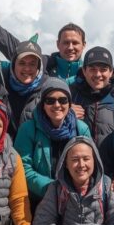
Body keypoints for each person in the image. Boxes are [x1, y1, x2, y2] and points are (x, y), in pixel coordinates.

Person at [14, 78, 92, 206]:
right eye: (50, 100)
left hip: (73, 200)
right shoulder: (28, 129)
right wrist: (52, 188)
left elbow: (90, 163)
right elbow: (22, 167)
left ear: (69, 103)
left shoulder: (81, 128)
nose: (57, 105)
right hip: (38, 200)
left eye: (62, 100)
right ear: (43, 104)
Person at [0, 0, 86, 85]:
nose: (70, 47)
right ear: (58, 44)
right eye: (66, 43)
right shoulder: (44, 63)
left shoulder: (91, 72)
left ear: (84, 45)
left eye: (75, 43)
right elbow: (14, 48)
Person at [70, 46, 114, 154]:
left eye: (103, 69)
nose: (98, 74)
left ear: (111, 72)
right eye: (92, 69)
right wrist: (65, 113)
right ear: (84, 71)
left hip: (113, 167)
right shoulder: (70, 95)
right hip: (80, 165)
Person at [1, 40, 46, 138]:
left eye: (32, 64)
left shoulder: (47, 90)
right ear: (13, 65)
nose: (27, 68)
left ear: (39, 67)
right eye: (22, 63)